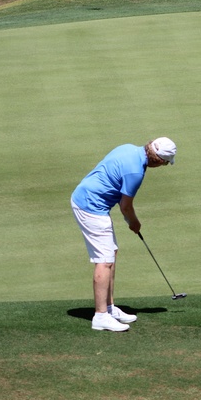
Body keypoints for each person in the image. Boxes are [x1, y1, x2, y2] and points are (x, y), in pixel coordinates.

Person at [70, 137, 177, 332]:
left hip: (88, 199)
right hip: (90, 206)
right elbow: (126, 207)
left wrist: (130, 220)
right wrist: (134, 223)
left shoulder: (128, 148)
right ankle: (101, 316)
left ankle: (109, 308)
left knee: (111, 253)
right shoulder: (136, 172)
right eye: (164, 163)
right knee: (104, 260)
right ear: (158, 160)